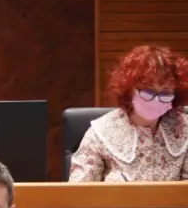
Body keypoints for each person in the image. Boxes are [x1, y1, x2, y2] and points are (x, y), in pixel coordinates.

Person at [69, 44, 188, 182]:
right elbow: (78, 191)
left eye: (166, 92)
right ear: (130, 90)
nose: (156, 99)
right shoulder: (100, 133)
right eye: (148, 90)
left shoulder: (184, 128)